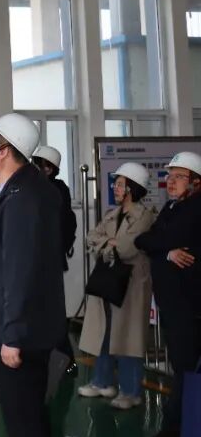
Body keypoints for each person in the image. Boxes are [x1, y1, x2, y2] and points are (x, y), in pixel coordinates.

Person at [0, 113, 66, 437]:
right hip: (25, 330)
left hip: (19, 337)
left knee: (25, 431)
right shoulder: (24, 190)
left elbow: (20, 272)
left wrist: (11, 335)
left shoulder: (23, 199)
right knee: (28, 427)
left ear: (2, 150)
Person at [76, 162, 156, 409]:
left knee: (129, 339)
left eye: (120, 184)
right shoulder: (113, 214)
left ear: (132, 188)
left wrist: (107, 244)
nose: (115, 188)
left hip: (132, 285)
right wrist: (108, 243)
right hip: (110, 281)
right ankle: (102, 382)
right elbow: (91, 237)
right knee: (106, 332)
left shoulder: (145, 216)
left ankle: (131, 391)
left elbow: (127, 247)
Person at [136, 151, 201, 437]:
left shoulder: (194, 209)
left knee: (185, 367)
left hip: (189, 304)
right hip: (175, 304)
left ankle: (175, 429)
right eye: (169, 176)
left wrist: (163, 246)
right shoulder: (172, 207)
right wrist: (167, 252)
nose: (170, 182)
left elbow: (161, 238)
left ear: (196, 182)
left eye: (178, 177)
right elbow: (145, 239)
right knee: (182, 366)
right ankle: (179, 427)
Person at [33, 145, 78, 369]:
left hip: (45, 262)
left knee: (50, 311)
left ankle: (64, 357)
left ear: (49, 169)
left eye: (37, 165)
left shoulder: (52, 191)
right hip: (44, 261)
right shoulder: (51, 190)